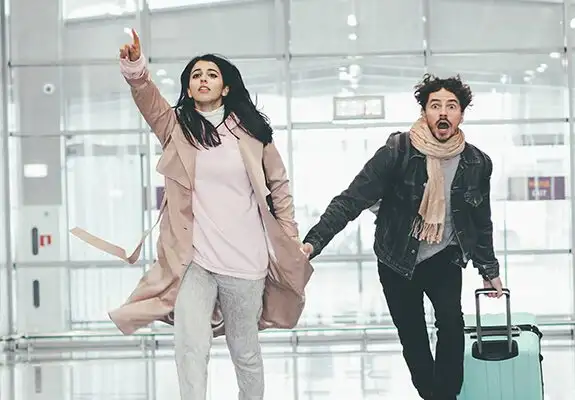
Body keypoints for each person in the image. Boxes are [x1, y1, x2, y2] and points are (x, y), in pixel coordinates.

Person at [72, 29, 312, 400]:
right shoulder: (177, 128)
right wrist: (136, 69)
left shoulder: (253, 133)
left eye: (211, 74)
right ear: (187, 88)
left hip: (246, 262)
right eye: (196, 75)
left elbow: (279, 187)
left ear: (226, 87)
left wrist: (291, 238)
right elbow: (149, 101)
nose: (203, 79)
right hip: (193, 261)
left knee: (244, 351)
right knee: (189, 346)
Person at [300, 74, 504, 400]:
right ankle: (432, 394)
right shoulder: (398, 151)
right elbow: (351, 200)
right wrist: (313, 242)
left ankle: (447, 396)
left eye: (451, 106)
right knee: (413, 336)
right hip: (397, 259)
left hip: (444, 257)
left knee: (451, 323)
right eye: (435, 105)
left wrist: (489, 271)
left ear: (461, 114)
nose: (443, 113)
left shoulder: (476, 162)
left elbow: (481, 221)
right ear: (424, 111)